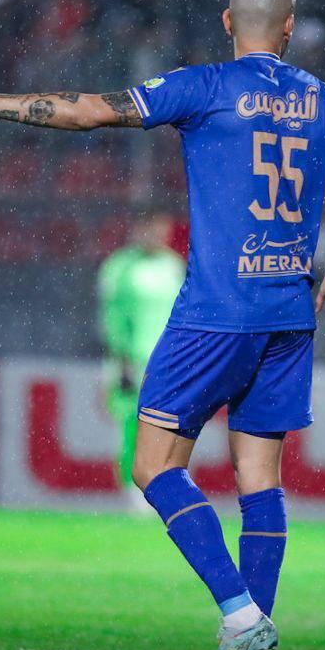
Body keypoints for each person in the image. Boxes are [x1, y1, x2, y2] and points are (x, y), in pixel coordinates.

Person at [0, 0, 325, 650]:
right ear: (289, 29)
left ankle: (241, 617)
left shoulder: (205, 86)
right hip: (288, 313)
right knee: (259, 479)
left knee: (155, 466)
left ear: (227, 22)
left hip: (216, 312)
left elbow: (88, 112)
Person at [97, 213, 185, 506]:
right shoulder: (120, 266)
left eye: (161, 230)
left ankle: (165, 485)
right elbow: (112, 316)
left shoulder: (173, 266)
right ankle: (132, 489)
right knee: (133, 425)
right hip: (133, 360)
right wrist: (120, 356)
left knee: (171, 427)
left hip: (169, 361)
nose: (156, 236)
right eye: (150, 229)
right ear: (139, 229)